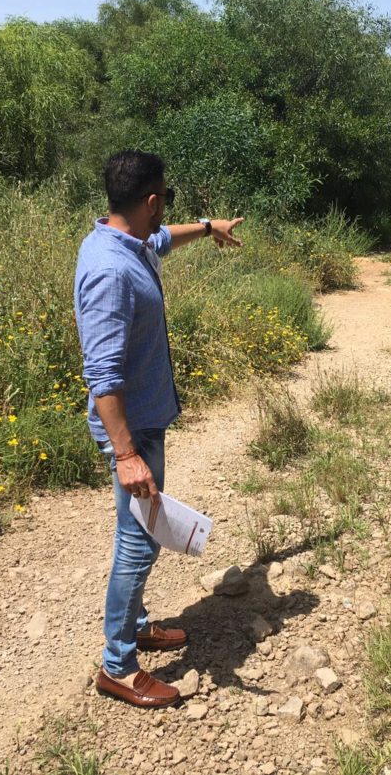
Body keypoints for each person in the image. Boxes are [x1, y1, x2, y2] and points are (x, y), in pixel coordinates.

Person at [73, 150, 243, 708]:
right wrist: (126, 454)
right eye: (163, 198)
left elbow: (162, 239)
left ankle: (139, 622)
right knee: (138, 542)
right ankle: (118, 665)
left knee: (138, 534)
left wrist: (209, 226)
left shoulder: (125, 241)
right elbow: (102, 378)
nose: (164, 210)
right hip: (133, 433)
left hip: (144, 425)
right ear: (149, 200)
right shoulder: (109, 270)